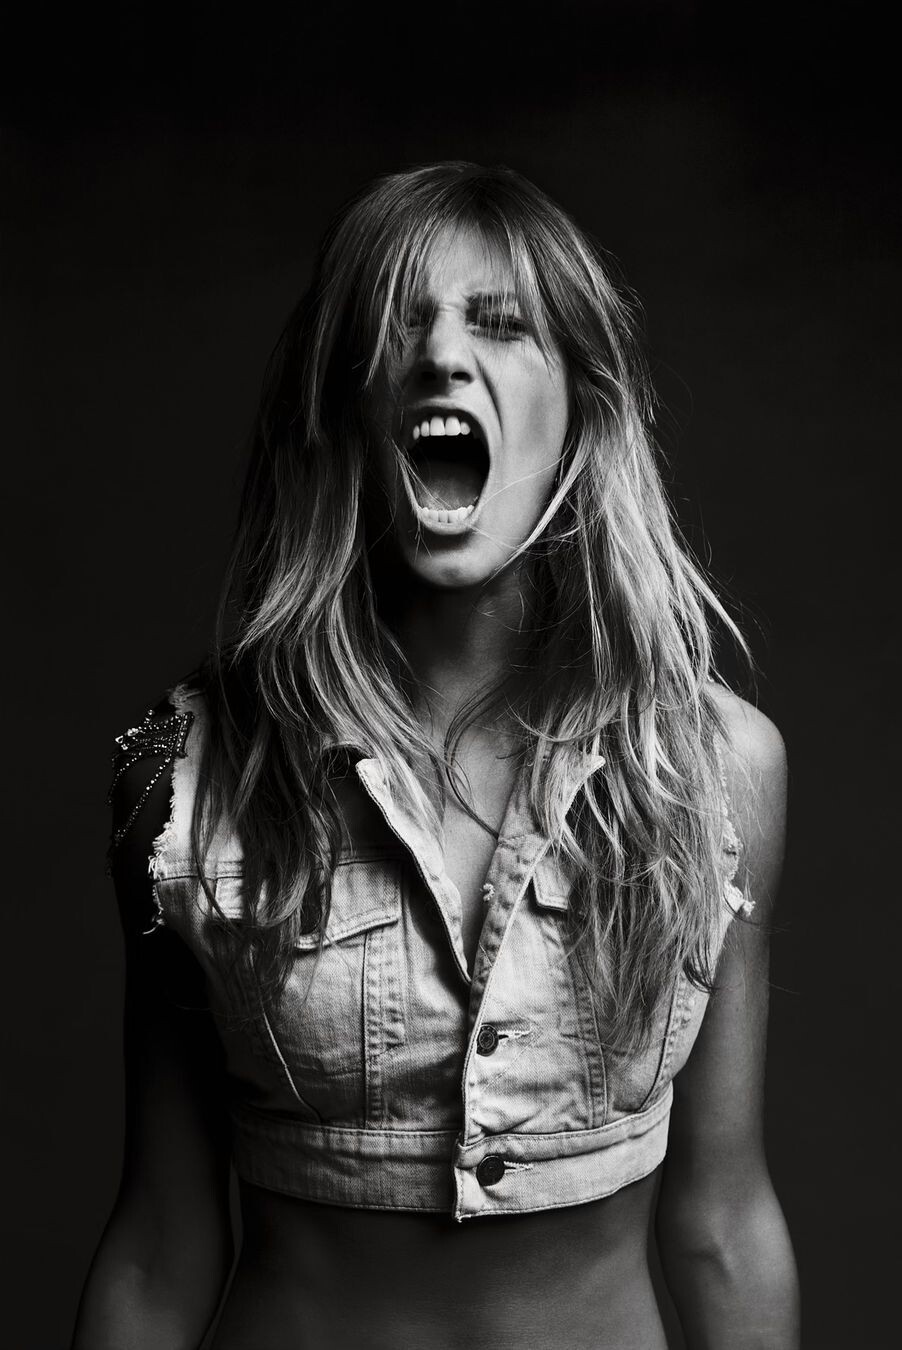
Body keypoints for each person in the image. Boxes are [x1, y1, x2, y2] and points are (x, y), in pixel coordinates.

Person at [72, 161, 798, 1350]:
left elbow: (722, 1222)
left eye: (500, 325)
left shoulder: (716, 768)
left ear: (582, 406)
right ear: (340, 408)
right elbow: (161, 1244)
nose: (445, 356)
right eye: (400, 327)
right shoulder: (184, 772)